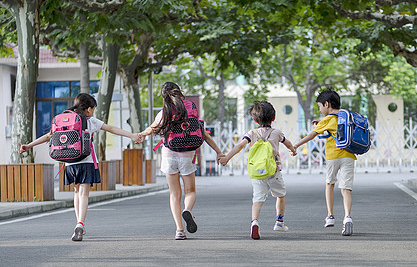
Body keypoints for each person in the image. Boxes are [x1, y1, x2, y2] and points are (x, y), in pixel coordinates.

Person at [20, 93, 141, 242]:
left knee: (76, 193)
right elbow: (111, 128)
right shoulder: (89, 121)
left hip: (69, 163)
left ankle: (78, 223)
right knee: (84, 194)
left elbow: (48, 136)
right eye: (93, 109)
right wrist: (132, 136)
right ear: (89, 109)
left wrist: (29, 146)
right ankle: (80, 224)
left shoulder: (65, 121)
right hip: (86, 161)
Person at [139, 82, 223, 240]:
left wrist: (140, 135)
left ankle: (179, 230)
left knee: (174, 194)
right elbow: (203, 133)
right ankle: (188, 210)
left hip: (169, 155)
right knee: (190, 191)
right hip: (188, 155)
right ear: (179, 92)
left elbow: (152, 129)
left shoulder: (165, 111)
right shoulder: (190, 108)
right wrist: (218, 151)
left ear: (164, 96)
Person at [219, 100, 296, 240]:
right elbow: (288, 143)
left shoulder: (252, 133)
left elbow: (239, 146)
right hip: (274, 172)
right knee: (280, 195)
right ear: (273, 118)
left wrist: (227, 158)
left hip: (257, 172)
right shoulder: (277, 132)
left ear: (254, 120)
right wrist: (292, 150)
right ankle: (279, 222)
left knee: (257, 199)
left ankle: (254, 221)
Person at [292, 88, 356, 236]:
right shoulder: (347, 116)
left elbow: (312, 135)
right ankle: (347, 218)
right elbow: (337, 126)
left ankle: (330, 216)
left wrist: (296, 145)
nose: (320, 110)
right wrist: (322, 122)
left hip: (333, 156)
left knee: (330, 184)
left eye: (320, 107)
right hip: (349, 156)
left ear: (327, 104)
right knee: (346, 189)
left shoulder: (327, 119)